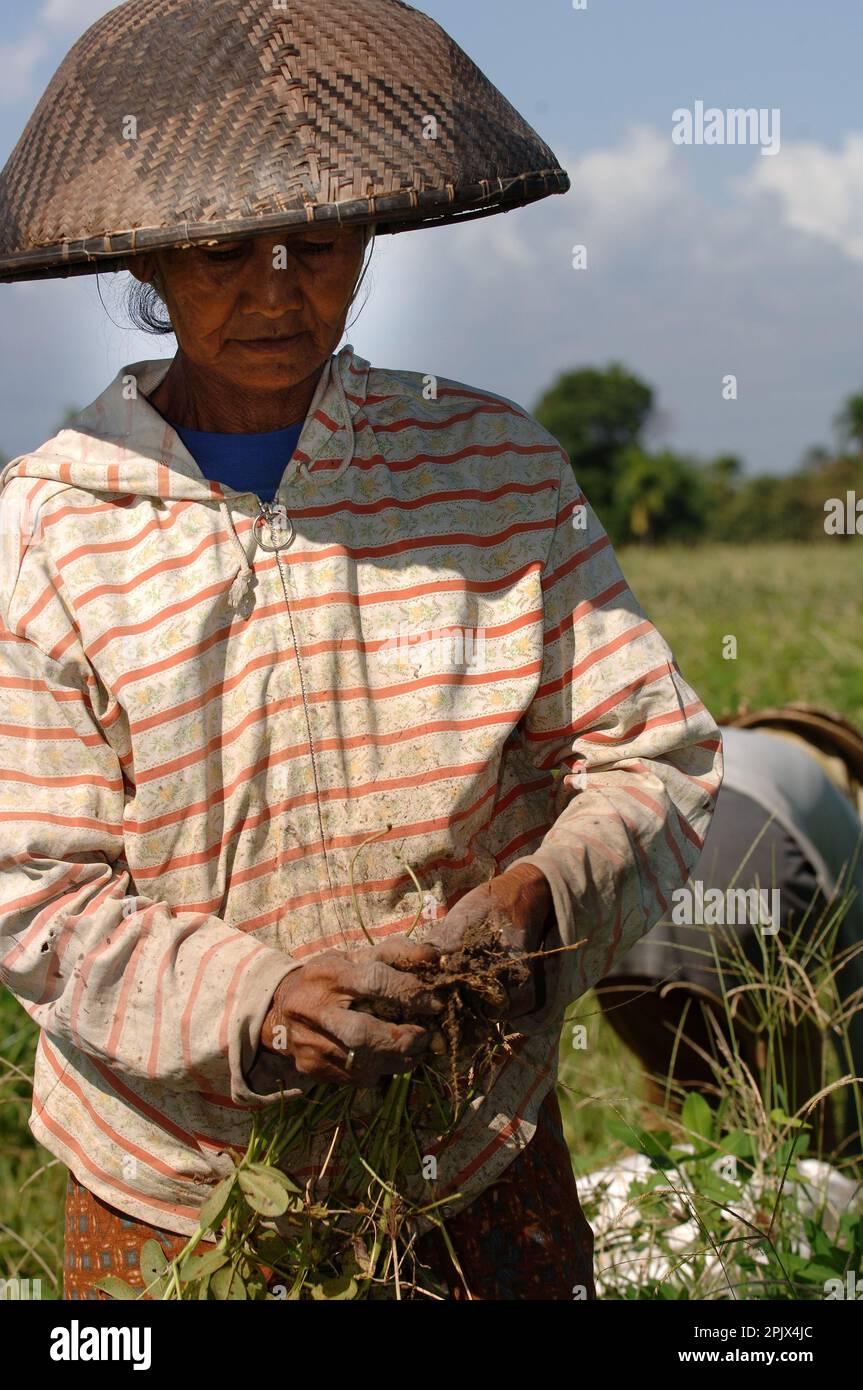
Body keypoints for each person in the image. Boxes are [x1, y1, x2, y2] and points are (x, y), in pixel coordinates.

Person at [0, 0, 722, 1300]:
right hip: (171, 1186)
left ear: (368, 234)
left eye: (319, 240)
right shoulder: (49, 528)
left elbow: (652, 754)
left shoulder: (492, 470)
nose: (278, 288)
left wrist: (533, 909)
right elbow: (37, 890)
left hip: (472, 1157)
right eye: (222, 247)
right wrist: (264, 1000)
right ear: (149, 262)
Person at [595, 706, 863, 1155]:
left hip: (621, 915)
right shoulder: (837, 806)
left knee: (680, 1093)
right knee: (790, 1126)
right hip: (742, 898)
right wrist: (855, 1141)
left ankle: (674, 1204)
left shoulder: (709, 751)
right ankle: (799, 1194)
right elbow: (856, 984)